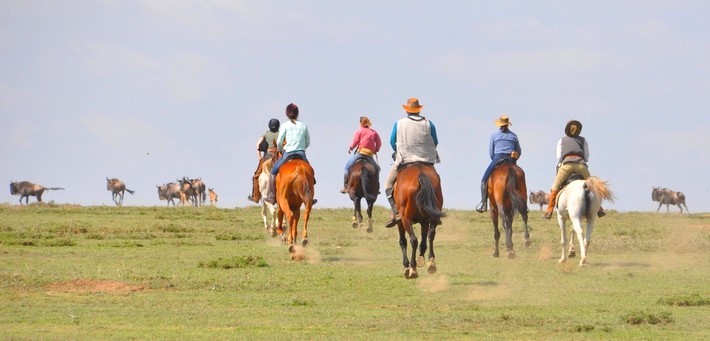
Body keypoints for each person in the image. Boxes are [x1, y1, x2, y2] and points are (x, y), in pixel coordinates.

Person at [384, 98, 440, 228]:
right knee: (436, 182)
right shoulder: (429, 123)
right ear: (419, 109)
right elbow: (435, 141)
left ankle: (397, 213)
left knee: (387, 185)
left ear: (407, 110)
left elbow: (392, 142)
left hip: (406, 160)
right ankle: (435, 211)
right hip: (426, 161)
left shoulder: (399, 124)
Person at [544, 120, 605, 219]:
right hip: (581, 166)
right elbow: (586, 156)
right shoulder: (583, 140)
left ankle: (549, 209)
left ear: (567, 130)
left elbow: (559, 157)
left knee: (555, 186)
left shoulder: (562, 140)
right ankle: (599, 209)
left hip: (567, 166)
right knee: (593, 186)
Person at [264, 103, 315, 205]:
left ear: (287, 114)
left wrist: (280, 149)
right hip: (301, 153)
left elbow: (279, 142)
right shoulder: (303, 126)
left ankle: (272, 196)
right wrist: (301, 148)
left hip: (287, 154)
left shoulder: (284, 125)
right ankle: (310, 197)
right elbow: (308, 142)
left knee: (273, 173)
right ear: (297, 114)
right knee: (311, 173)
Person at [475, 115, 522, 213]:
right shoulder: (514, 136)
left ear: (500, 124)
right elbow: (519, 151)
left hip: (498, 158)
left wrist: (495, 160)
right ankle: (523, 203)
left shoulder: (494, 135)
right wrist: (514, 160)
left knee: (484, 179)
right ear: (508, 124)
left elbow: (491, 152)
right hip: (511, 159)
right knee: (519, 179)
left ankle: (484, 203)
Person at [340, 116, 382, 193]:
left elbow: (355, 141)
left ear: (361, 123)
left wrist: (351, 148)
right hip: (369, 155)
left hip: (360, 153)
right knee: (376, 169)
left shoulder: (359, 132)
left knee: (346, 167)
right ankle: (377, 188)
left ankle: (345, 187)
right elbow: (379, 143)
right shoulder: (374, 132)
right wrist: (376, 150)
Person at [247, 118, 280, 203]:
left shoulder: (265, 134)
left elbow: (258, 145)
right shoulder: (280, 134)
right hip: (279, 156)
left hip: (267, 156)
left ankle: (256, 197)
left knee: (256, 176)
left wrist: (259, 156)